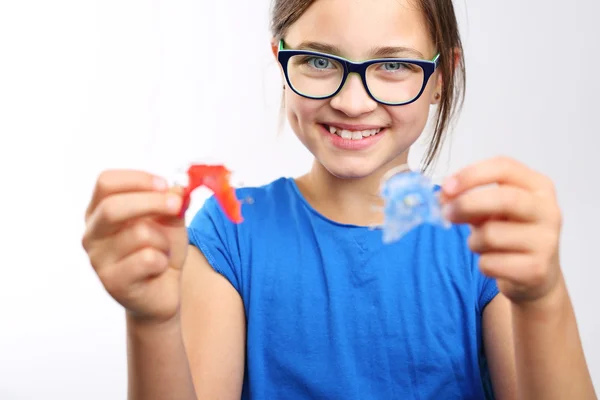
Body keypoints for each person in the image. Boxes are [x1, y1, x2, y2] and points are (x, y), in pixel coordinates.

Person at [81, 0, 597, 399]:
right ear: (280, 61)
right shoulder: (230, 235)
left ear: (441, 78)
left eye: (394, 66)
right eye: (318, 62)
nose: (352, 102)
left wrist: (544, 298)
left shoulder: (482, 241)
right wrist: (151, 321)